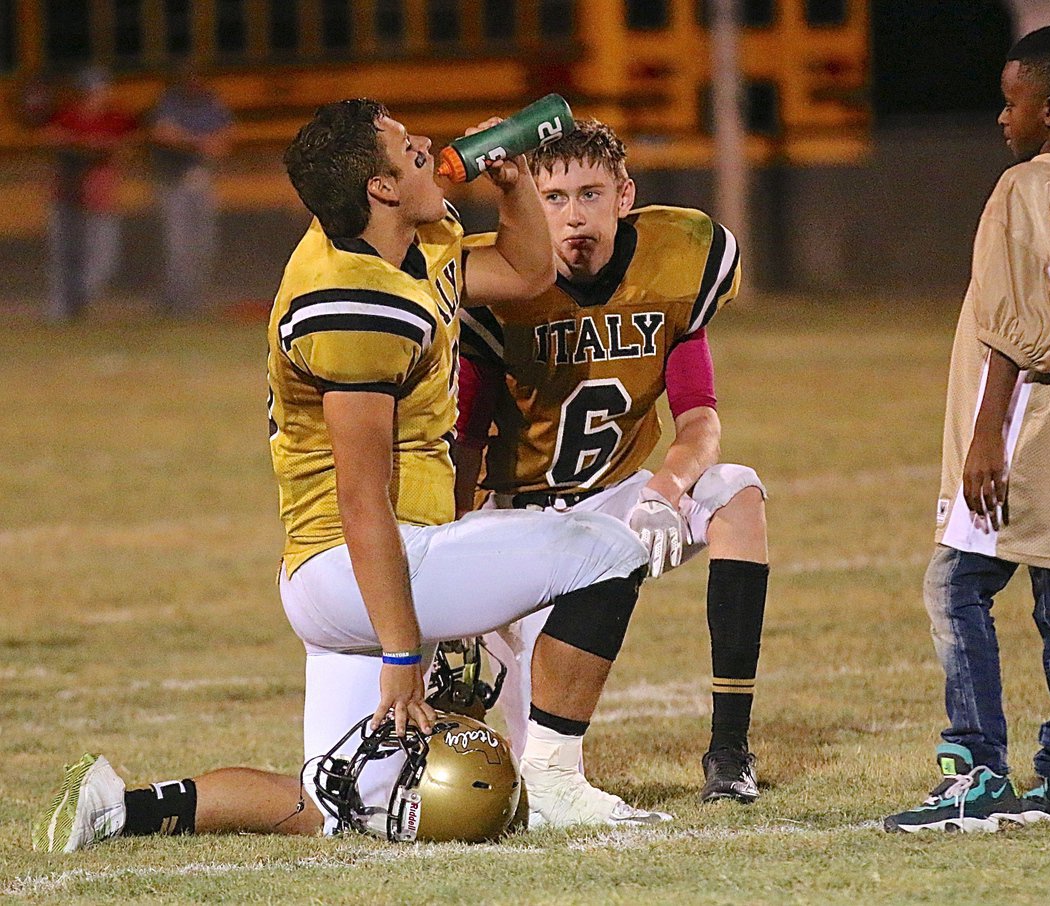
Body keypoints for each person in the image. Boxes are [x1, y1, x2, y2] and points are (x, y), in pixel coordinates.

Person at [33, 99, 671, 854]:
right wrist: (403, 656)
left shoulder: (403, 240)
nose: (428, 145)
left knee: (337, 807)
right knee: (608, 548)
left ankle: (122, 808)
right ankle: (558, 780)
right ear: (382, 188)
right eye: (406, 147)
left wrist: (513, 189)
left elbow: (526, 272)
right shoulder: (354, 302)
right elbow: (362, 498)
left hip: (336, 575)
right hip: (365, 562)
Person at [883, 24, 1050, 834]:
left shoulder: (1022, 191)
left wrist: (982, 440)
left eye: (1013, 103)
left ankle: (974, 769)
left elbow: (1017, 331)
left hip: (1018, 429)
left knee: (954, 584)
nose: (1001, 119)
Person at [452, 120, 769, 804]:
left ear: (625, 195)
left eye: (589, 194)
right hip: (516, 523)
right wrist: (446, 554)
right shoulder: (498, 280)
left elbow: (700, 421)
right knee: (521, 784)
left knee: (735, 492)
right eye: (554, 198)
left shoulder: (676, 260)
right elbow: (465, 442)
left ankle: (729, 751)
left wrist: (663, 491)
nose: (572, 217)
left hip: (612, 499)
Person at [43, 65, 137, 321]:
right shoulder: (68, 116)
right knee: (65, 255)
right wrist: (88, 146)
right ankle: (62, 311)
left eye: (100, 90)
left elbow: (127, 149)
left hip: (100, 198)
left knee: (105, 259)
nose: (96, 95)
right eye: (91, 91)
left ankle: (81, 300)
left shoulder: (115, 118)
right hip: (68, 195)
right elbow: (54, 138)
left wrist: (103, 149)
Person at [148, 69, 233, 316]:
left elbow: (223, 142)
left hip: (201, 181)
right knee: (178, 246)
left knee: (205, 244)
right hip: (173, 181)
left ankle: (195, 301)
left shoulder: (211, 104)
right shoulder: (169, 102)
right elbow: (163, 134)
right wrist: (198, 142)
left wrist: (186, 139)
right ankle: (176, 303)